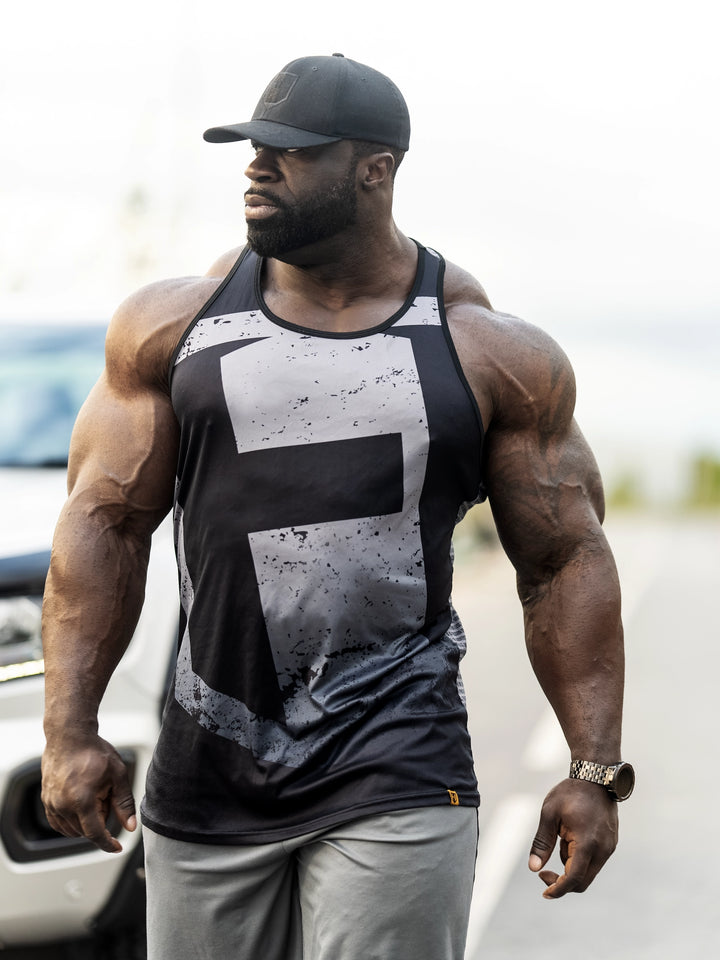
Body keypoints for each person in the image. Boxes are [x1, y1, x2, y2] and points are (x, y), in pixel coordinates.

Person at [41, 53, 632, 960]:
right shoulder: (175, 328)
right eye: (251, 150)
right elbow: (103, 524)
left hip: (397, 759)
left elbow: (564, 561)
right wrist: (67, 729)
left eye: (290, 151)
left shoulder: (482, 350)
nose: (256, 168)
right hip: (209, 767)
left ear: (375, 169)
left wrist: (592, 768)